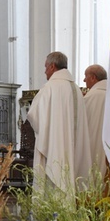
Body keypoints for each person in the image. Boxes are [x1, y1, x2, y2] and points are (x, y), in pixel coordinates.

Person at [27, 51, 91, 192]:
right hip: (73, 148)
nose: (45, 72)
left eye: (45, 67)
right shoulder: (76, 89)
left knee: (52, 189)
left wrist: (46, 133)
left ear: (52, 67)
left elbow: (33, 115)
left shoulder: (49, 88)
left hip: (54, 148)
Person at [83, 64, 108, 177]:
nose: (84, 80)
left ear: (93, 77)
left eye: (86, 76)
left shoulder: (90, 97)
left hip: (92, 146)